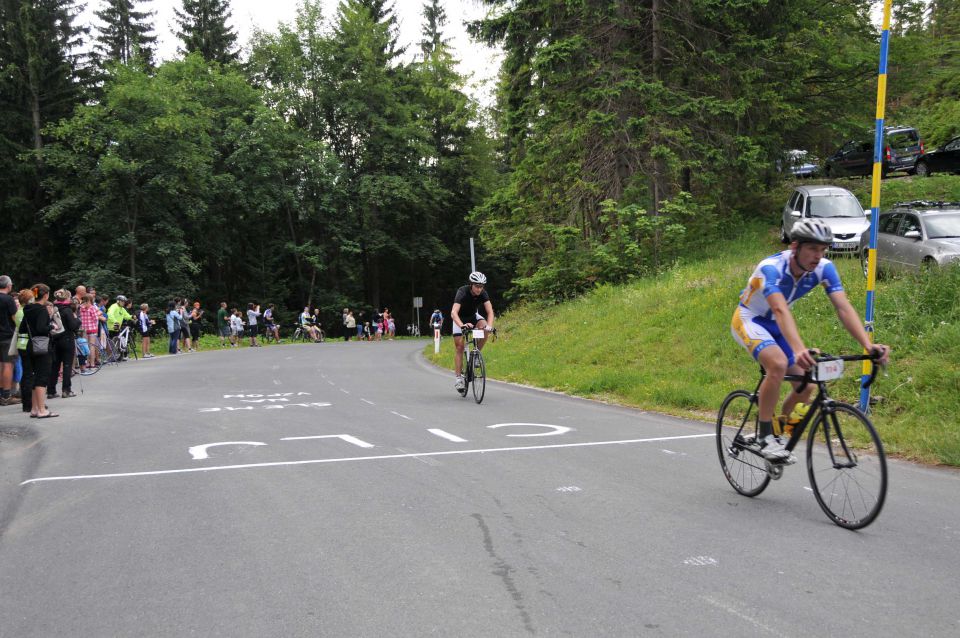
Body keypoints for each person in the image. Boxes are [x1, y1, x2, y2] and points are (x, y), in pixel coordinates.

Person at [731, 219, 891, 461]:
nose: (819, 255)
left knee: (807, 387)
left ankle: (778, 431)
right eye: (813, 249)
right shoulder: (771, 268)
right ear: (795, 247)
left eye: (823, 249)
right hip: (750, 319)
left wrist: (868, 345)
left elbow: (843, 308)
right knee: (777, 364)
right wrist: (797, 349)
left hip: (777, 324)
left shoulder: (824, 269)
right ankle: (764, 435)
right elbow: (780, 309)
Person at [451, 271, 495, 391]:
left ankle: (476, 355)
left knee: (485, 328)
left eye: (481, 287)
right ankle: (459, 379)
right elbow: (453, 313)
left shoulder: (483, 293)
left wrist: (490, 326)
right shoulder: (462, 291)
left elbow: (490, 312)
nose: (479, 289)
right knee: (460, 347)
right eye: (477, 286)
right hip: (459, 319)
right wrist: (462, 325)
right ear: (471, 284)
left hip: (473, 317)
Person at [19, 284, 57, 418]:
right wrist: (51, 325)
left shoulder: (27, 309)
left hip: (30, 346)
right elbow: (42, 328)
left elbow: (22, 328)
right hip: (42, 347)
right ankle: (42, 410)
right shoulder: (41, 310)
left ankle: (34, 409)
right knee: (42, 377)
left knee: (35, 377)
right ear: (46, 295)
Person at [48, 289, 80, 399]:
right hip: (67, 340)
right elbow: (73, 326)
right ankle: (66, 390)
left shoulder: (53, 308)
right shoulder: (67, 310)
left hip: (55, 340)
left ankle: (51, 390)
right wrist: (77, 320)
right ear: (67, 298)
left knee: (55, 366)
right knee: (67, 365)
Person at [0, 275, 20, 405]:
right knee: (8, 365)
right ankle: (7, 396)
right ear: (9, 286)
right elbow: (15, 318)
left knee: (0, 365)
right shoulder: (8, 299)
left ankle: (1, 392)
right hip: (7, 336)